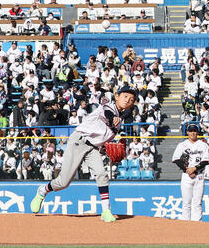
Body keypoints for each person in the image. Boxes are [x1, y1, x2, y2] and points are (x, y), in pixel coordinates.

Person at [30, 86, 137, 222]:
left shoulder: (118, 125)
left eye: (131, 99)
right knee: (63, 182)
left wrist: (106, 148)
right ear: (117, 96)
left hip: (92, 148)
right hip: (79, 141)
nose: (128, 100)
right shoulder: (109, 106)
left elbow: (103, 140)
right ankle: (43, 190)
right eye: (125, 96)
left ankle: (106, 210)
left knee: (102, 175)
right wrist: (114, 118)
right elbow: (109, 115)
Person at [172, 123, 209, 222]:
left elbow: (206, 160)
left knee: (197, 202)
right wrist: (188, 170)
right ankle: (186, 225)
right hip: (186, 176)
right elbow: (176, 159)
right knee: (186, 202)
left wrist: (194, 169)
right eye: (190, 130)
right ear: (187, 132)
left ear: (197, 132)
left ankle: (197, 225)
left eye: (194, 130)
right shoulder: (182, 145)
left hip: (199, 176)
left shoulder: (203, 145)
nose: (193, 133)